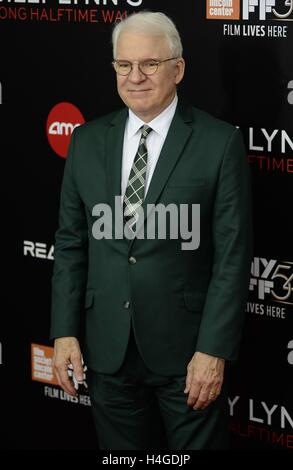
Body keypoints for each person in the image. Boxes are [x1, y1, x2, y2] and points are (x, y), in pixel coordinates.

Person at [51, 11, 252, 450]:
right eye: (124, 65)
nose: (135, 76)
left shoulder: (219, 143)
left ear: (177, 69)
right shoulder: (85, 141)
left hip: (188, 356)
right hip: (107, 351)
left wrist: (213, 350)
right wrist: (64, 333)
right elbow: (70, 244)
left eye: (150, 64)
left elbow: (232, 254)